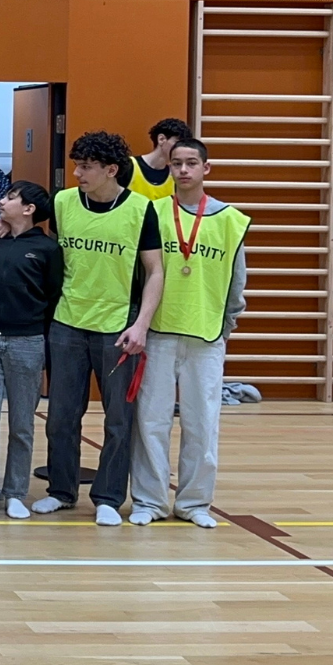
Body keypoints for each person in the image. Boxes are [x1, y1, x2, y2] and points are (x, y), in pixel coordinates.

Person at [35, 130, 163, 527]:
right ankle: (60, 490)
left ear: (111, 169)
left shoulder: (142, 209)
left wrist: (142, 324)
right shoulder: (62, 202)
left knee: (118, 419)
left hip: (118, 326)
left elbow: (156, 270)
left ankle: (108, 496)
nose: (77, 173)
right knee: (60, 416)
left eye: (87, 167)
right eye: (76, 165)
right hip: (67, 323)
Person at [129, 138, 247, 528]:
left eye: (191, 163)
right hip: (159, 333)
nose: (183, 170)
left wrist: (226, 325)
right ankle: (149, 500)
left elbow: (236, 281)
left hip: (206, 337)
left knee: (202, 423)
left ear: (205, 168)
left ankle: (195, 503)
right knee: (151, 421)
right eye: (176, 163)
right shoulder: (153, 211)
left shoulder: (231, 220)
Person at [0, 180, 61, 523]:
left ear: (29, 209)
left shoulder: (48, 249)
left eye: (10, 197)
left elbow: (53, 297)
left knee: (22, 422)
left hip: (28, 341)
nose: (2, 201)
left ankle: (15, 493)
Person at [128, 118, 193, 202]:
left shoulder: (175, 175)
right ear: (161, 139)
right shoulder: (128, 166)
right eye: (178, 143)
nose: (182, 149)